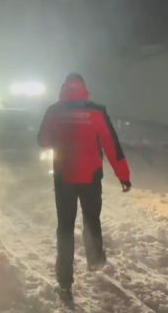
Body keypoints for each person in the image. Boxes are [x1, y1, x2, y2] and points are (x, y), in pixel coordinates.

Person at [37, 73, 131, 304]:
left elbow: (43, 141)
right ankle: (95, 259)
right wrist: (123, 176)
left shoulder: (54, 111)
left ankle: (65, 281)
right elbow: (112, 145)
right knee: (91, 218)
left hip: (64, 178)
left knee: (65, 228)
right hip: (91, 178)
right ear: (84, 89)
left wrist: (62, 135)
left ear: (63, 89)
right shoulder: (96, 112)